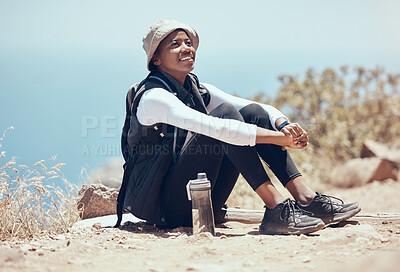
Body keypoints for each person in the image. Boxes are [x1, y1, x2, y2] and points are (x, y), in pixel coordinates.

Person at [116, 19, 361, 235]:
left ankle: (306, 198)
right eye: (175, 44)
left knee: (251, 114)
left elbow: (256, 107)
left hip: (202, 199)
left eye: (188, 42)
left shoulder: (196, 88)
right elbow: (220, 128)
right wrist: (278, 140)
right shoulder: (154, 97)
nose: (186, 48)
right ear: (156, 59)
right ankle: (276, 208)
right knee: (224, 118)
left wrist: (283, 125)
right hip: (167, 210)